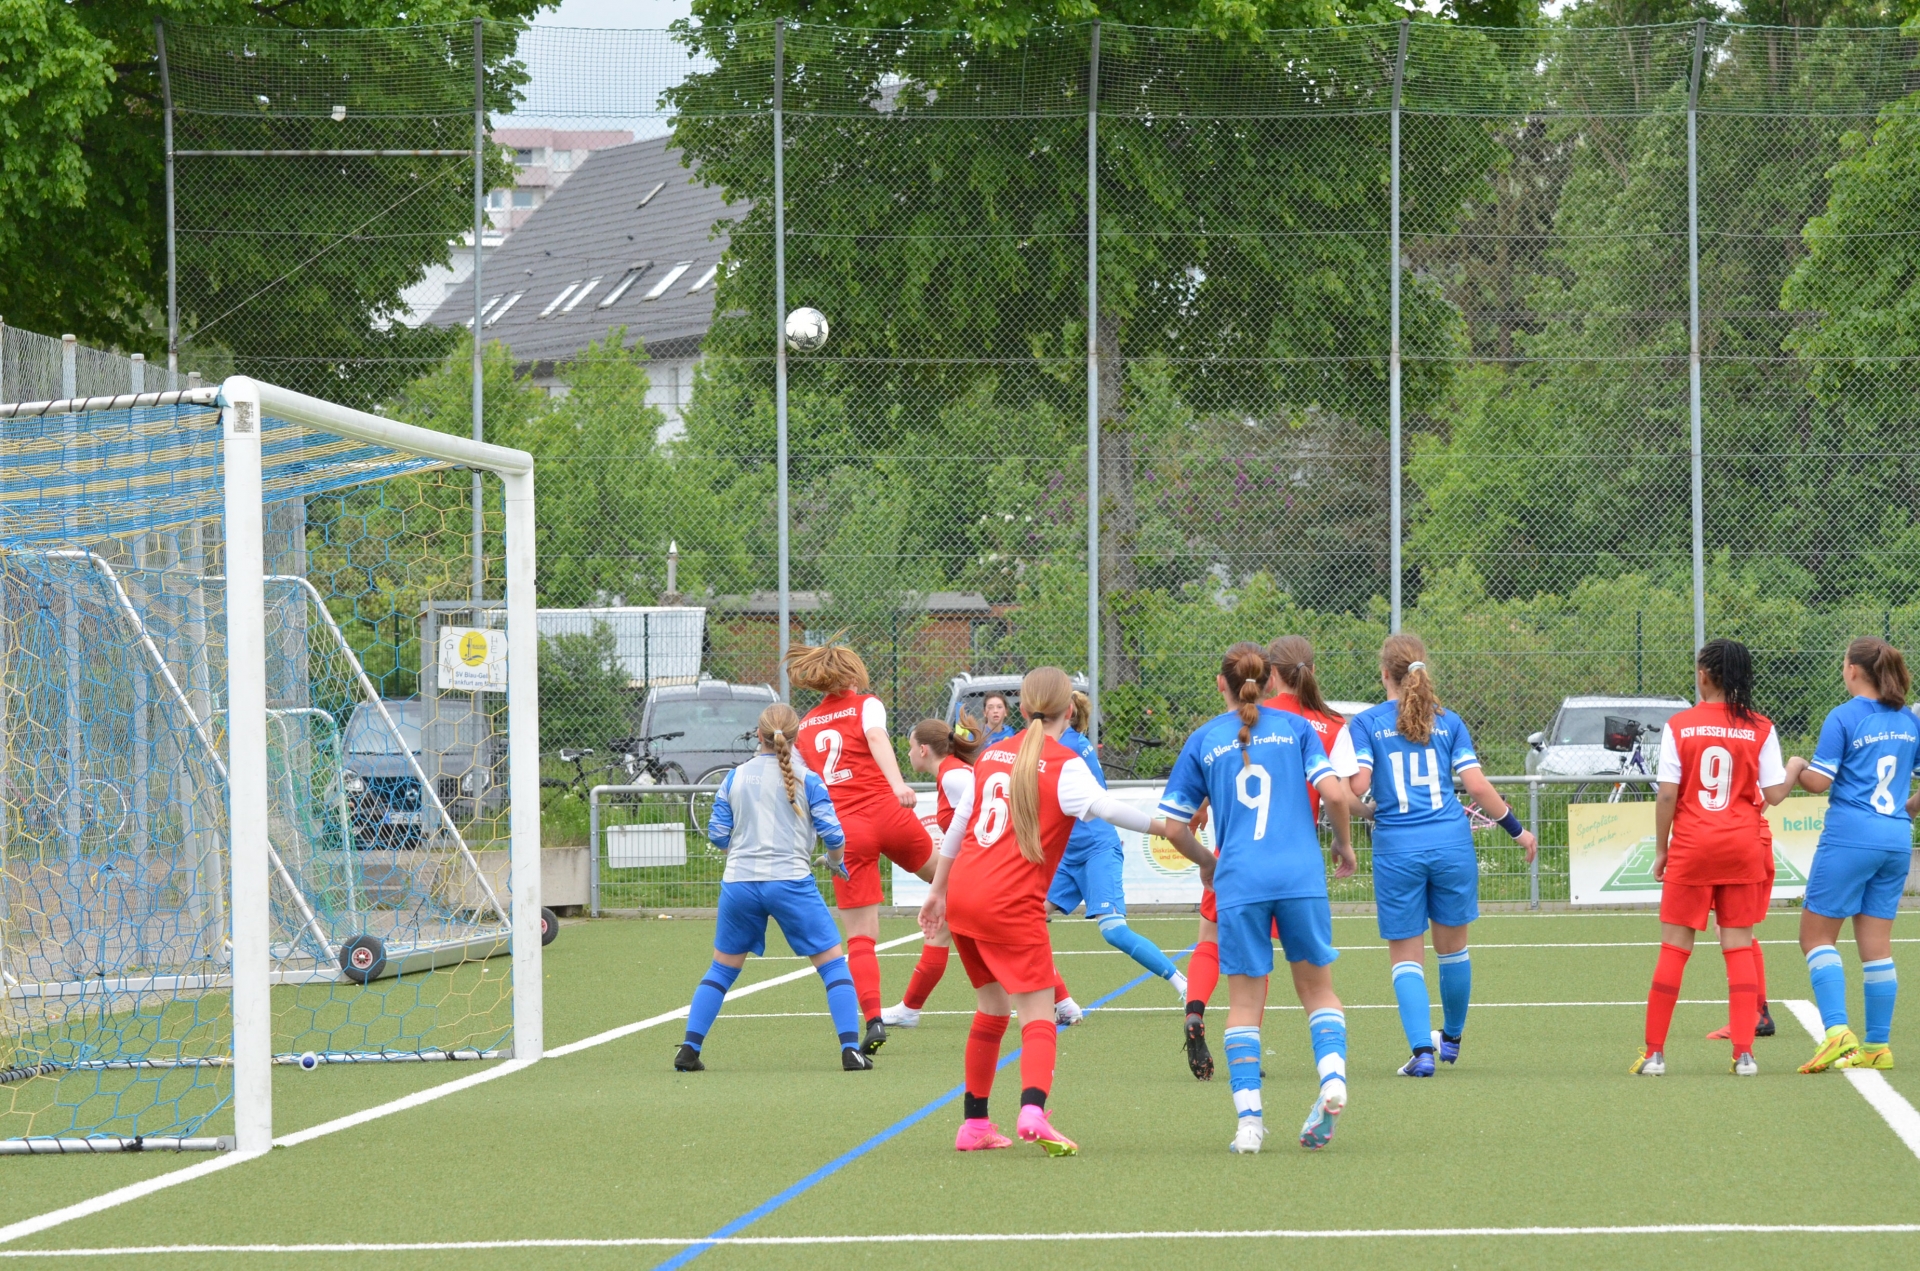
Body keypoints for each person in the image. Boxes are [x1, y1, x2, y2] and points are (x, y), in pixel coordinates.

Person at [919, 667, 1184, 1156]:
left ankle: (974, 1124)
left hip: (965, 895)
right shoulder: (1065, 763)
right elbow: (1108, 810)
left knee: (992, 1008)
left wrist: (937, 890)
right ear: (1072, 709)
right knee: (1038, 1013)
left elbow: (959, 824)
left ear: (1020, 710)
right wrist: (1166, 827)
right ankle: (1033, 1111)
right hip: (1009, 902)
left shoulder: (991, 753)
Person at [1154, 643, 1357, 1154]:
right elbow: (1335, 795)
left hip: (1240, 881)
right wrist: (1343, 843)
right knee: (1318, 990)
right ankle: (1332, 1079)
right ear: (1270, 682)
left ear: (1221, 684)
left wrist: (1207, 864)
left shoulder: (1203, 740)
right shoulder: (1296, 729)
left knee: (1244, 1004)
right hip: (1300, 876)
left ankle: (1249, 1126)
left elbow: (1173, 827)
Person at [1342, 633, 1538, 1076]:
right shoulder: (1449, 721)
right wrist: (1518, 832)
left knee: (1407, 956)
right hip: (1452, 845)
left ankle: (1421, 1053)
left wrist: (1361, 809)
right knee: (1453, 952)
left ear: (1384, 674)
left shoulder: (1367, 724)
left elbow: (1355, 788)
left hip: (1398, 850)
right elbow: (1477, 786)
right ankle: (1449, 1042)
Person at [673, 704, 870, 1073]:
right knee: (832, 966)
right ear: (796, 738)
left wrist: (746, 849)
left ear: (757, 734)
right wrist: (833, 860)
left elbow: (716, 833)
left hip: (739, 884)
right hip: (791, 882)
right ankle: (850, 1051)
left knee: (721, 970)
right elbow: (833, 833)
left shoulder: (733, 777)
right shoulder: (808, 778)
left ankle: (689, 1049)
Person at [1631, 639, 1791, 1078]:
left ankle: (1655, 1055)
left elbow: (1667, 793)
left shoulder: (1680, 725)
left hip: (1693, 847)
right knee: (1738, 947)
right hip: (1742, 847)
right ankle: (1744, 1055)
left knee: (1674, 948)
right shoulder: (1761, 726)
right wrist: (1795, 768)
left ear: (1705, 675)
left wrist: (1662, 849)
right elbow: (1774, 793)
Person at [787, 638, 937, 1055]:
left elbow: (801, 787)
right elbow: (875, 739)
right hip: (888, 813)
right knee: (954, 882)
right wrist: (898, 785)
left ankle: (872, 1019)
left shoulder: (806, 727)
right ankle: (1044, 985)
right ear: (851, 674)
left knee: (861, 937)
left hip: (847, 829)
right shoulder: (866, 704)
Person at [1786, 637, 1920, 1074]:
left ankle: (1837, 1033)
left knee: (1815, 937)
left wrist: (1793, 765)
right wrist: (1905, 808)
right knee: (1877, 946)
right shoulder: (1907, 720)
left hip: (1850, 838)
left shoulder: (1843, 717)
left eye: (1843, 663)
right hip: (1896, 840)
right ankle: (1878, 1045)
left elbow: (1817, 783)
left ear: (1853, 671)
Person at [1046, 690, 1189, 1008]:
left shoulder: (1074, 746)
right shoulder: (1044, 746)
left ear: (1063, 712)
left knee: (1112, 930)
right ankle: (1061, 1001)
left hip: (1096, 846)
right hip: (1066, 854)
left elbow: (1101, 800)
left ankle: (1181, 981)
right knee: (1025, 921)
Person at [880, 715, 983, 1028]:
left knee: (1003, 941)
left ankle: (1060, 1001)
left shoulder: (954, 776)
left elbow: (989, 810)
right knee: (944, 935)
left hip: (981, 871)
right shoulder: (950, 774)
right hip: (973, 870)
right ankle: (909, 1009)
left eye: (911, 747)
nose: (908, 754)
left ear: (924, 749)